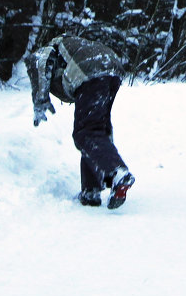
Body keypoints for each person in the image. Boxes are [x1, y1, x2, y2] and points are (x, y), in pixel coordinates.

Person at [26, 33, 136, 209]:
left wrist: (40, 100)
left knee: (85, 133)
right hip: (112, 68)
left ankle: (117, 172)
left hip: (92, 70)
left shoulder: (49, 48)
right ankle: (91, 191)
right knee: (98, 130)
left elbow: (37, 61)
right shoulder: (76, 46)